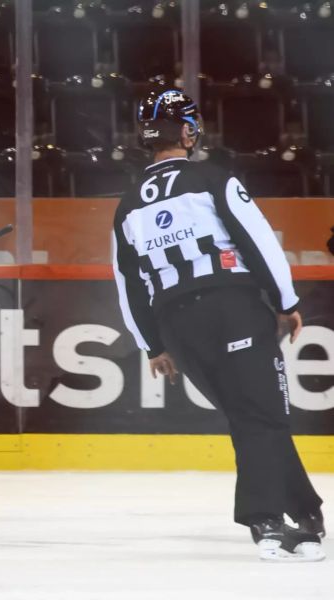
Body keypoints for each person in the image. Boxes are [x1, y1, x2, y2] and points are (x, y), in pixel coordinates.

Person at [112, 88, 325, 562]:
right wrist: (287, 301)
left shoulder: (126, 205)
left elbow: (127, 282)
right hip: (232, 308)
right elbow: (259, 241)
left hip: (176, 327)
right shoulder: (213, 179)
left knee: (250, 417)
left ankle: (306, 509)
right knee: (264, 415)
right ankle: (265, 520)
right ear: (187, 132)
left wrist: (151, 345)